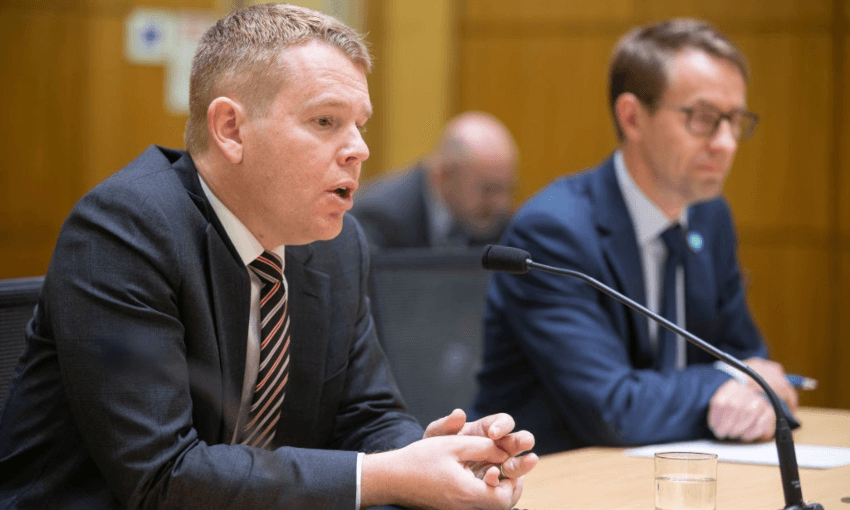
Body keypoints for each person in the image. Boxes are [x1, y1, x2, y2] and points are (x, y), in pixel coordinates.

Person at [0, 4, 537, 509]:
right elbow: (163, 478)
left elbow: (366, 415)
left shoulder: (337, 244)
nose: (359, 149)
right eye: (326, 122)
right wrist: (386, 474)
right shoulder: (123, 233)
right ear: (231, 129)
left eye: (360, 124)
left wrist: (433, 454)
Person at [472, 18, 799, 455]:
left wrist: (754, 392)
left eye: (735, 120)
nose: (726, 143)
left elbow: (751, 362)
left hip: (677, 468)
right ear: (632, 117)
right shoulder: (555, 231)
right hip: (554, 479)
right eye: (704, 119)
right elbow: (611, 409)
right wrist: (731, 382)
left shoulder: (709, 218)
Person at [351, 111, 518, 250]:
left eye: (508, 189)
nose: (501, 203)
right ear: (443, 176)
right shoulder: (379, 218)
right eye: (488, 189)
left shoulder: (496, 220)